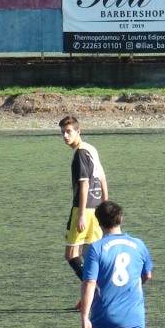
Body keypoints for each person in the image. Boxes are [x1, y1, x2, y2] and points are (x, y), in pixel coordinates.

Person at [80, 201, 153, 328]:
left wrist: (85, 316)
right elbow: (147, 275)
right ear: (120, 218)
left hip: (104, 316)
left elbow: (90, 282)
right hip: (133, 316)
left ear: (99, 222)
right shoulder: (138, 244)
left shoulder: (96, 249)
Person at [60, 116, 109, 300]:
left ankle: (95, 293)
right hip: (96, 208)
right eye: (63, 133)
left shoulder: (81, 152)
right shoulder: (91, 149)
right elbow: (102, 179)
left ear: (78, 131)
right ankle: (93, 295)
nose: (65, 136)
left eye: (69, 132)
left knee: (71, 254)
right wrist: (105, 205)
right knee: (89, 256)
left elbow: (85, 184)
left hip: (83, 209)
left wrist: (80, 214)